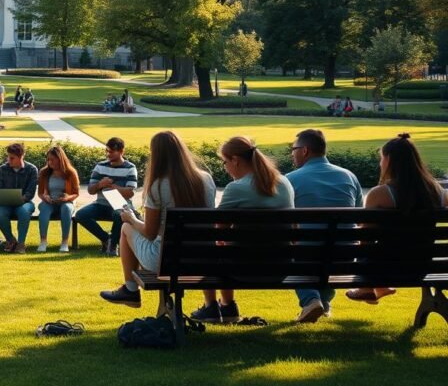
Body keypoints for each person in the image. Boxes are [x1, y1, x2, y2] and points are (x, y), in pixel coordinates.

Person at [100, 131, 217, 308]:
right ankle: (211, 305)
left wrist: (131, 219)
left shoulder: (158, 185)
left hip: (165, 260)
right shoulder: (206, 179)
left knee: (126, 228)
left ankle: (130, 290)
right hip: (200, 258)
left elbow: (149, 233)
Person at [190, 136, 294, 324]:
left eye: (225, 162)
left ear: (235, 160)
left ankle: (211, 306)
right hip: (281, 267)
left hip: (243, 269)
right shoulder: (284, 183)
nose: (225, 167)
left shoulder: (236, 188)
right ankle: (227, 306)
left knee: (207, 246)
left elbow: (217, 229)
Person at [344, 133, 448, 305]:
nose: (380, 163)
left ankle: (367, 288)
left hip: (386, 269)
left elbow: (366, 239)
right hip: (422, 266)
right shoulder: (438, 192)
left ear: (389, 160)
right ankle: (376, 288)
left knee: (364, 246)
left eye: (381, 158)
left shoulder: (380, 194)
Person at [285, 128, 364, 323]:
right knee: (331, 247)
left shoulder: (290, 180)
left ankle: (311, 299)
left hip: (306, 254)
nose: (292, 154)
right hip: (344, 255)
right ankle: (324, 302)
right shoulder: (349, 177)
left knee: (291, 250)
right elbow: (360, 217)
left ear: (304, 151)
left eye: (293, 149)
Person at [75, 137, 139, 256]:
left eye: (111, 151)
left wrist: (113, 186)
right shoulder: (100, 166)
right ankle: (106, 239)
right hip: (101, 203)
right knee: (81, 215)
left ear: (121, 151)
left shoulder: (130, 168)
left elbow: (130, 192)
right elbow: (91, 190)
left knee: (119, 214)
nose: (108, 154)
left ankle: (113, 245)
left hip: (120, 203)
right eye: (107, 151)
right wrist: (100, 184)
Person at [0, 143, 39, 253]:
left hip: (25, 203)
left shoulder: (32, 169)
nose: (9, 160)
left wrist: (21, 199)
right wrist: (7, 199)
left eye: (12, 158)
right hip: (6, 204)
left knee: (24, 211)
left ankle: (21, 244)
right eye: (8, 157)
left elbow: (30, 193)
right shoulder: (2, 170)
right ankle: (11, 240)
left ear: (21, 156)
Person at [35, 146, 81, 252]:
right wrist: (45, 197)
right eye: (48, 160)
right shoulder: (44, 173)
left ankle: (64, 242)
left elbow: (76, 193)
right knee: (44, 209)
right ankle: (43, 241)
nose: (50, 162)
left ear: (60, 159)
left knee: (66, 208)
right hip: (50, 202)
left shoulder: (71, 173)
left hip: (66, 202)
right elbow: (40, 193)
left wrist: (67, 198)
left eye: (52, 159)